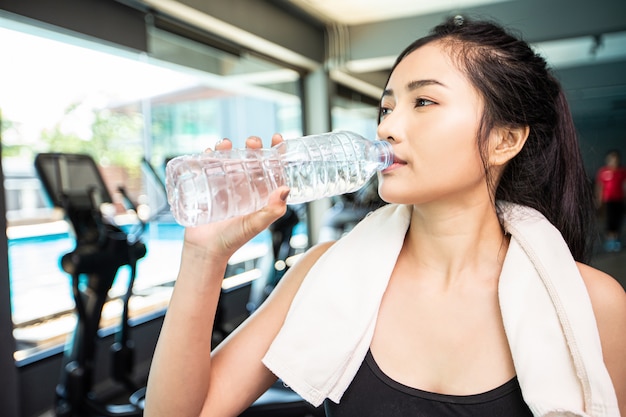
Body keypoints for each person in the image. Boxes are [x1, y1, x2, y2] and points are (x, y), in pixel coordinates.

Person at [144, 16, 626, 416]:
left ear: (505, 140)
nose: (388, 126)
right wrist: (205, 256)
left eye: (424, 102)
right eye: (387, 106)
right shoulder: (324, 273)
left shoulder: (591, 303)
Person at [596, 150, 626, 252]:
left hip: (619, 200)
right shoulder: (603, 172)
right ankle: (610, 240)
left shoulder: (622, 172)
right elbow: (600, 187)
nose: (613, 161)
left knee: (618, 220)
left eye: (615, 159)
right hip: (608, 201)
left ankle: (616, 239)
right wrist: (599, 200)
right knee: (609, 220)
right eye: (611, 159)